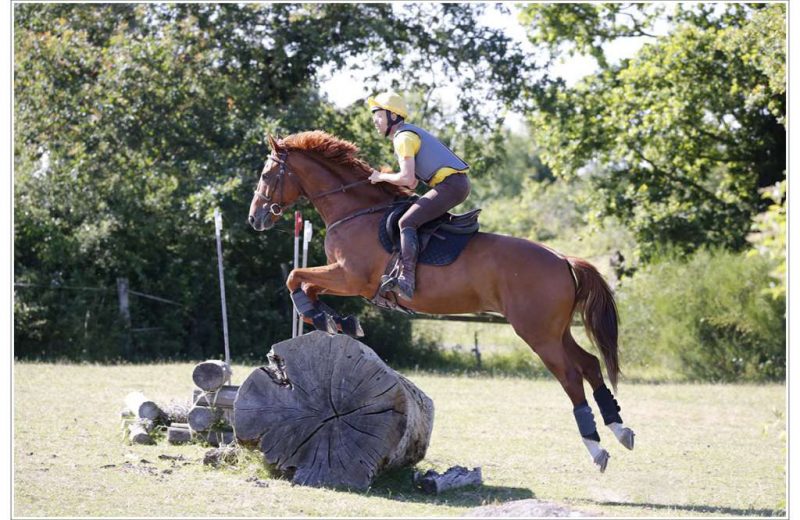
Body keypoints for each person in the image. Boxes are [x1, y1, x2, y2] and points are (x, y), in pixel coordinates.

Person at [367, 91, 471, 301]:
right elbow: (413, 182)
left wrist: (380, 177)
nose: (375, 121)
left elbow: (406, 179)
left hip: (451, 185)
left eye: (378, 115)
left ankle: (407, 279)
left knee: (407, 221)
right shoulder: (406, 134)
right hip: (454, 184)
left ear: (393, 116)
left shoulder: (403, 138)